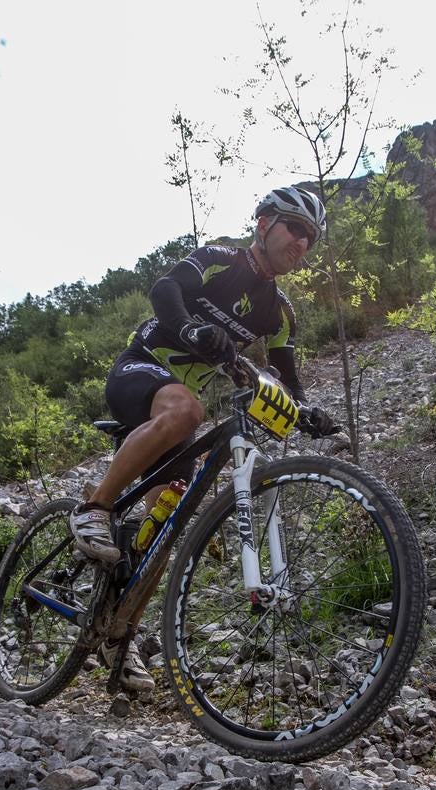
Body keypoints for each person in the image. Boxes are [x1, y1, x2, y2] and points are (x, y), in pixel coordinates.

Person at [70, 185, 338, 691]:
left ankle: (117, 635)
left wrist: (306, 412)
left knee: (163, 530)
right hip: (140, 369)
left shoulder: (279, 312)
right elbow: (164, 289)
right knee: (188, 410)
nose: (302, 242)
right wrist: (191, 329)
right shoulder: (220, 259)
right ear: (264, 223)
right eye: (294, 227)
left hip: (176, 409)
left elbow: (287, 377)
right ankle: (95, 507)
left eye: (311, 237)